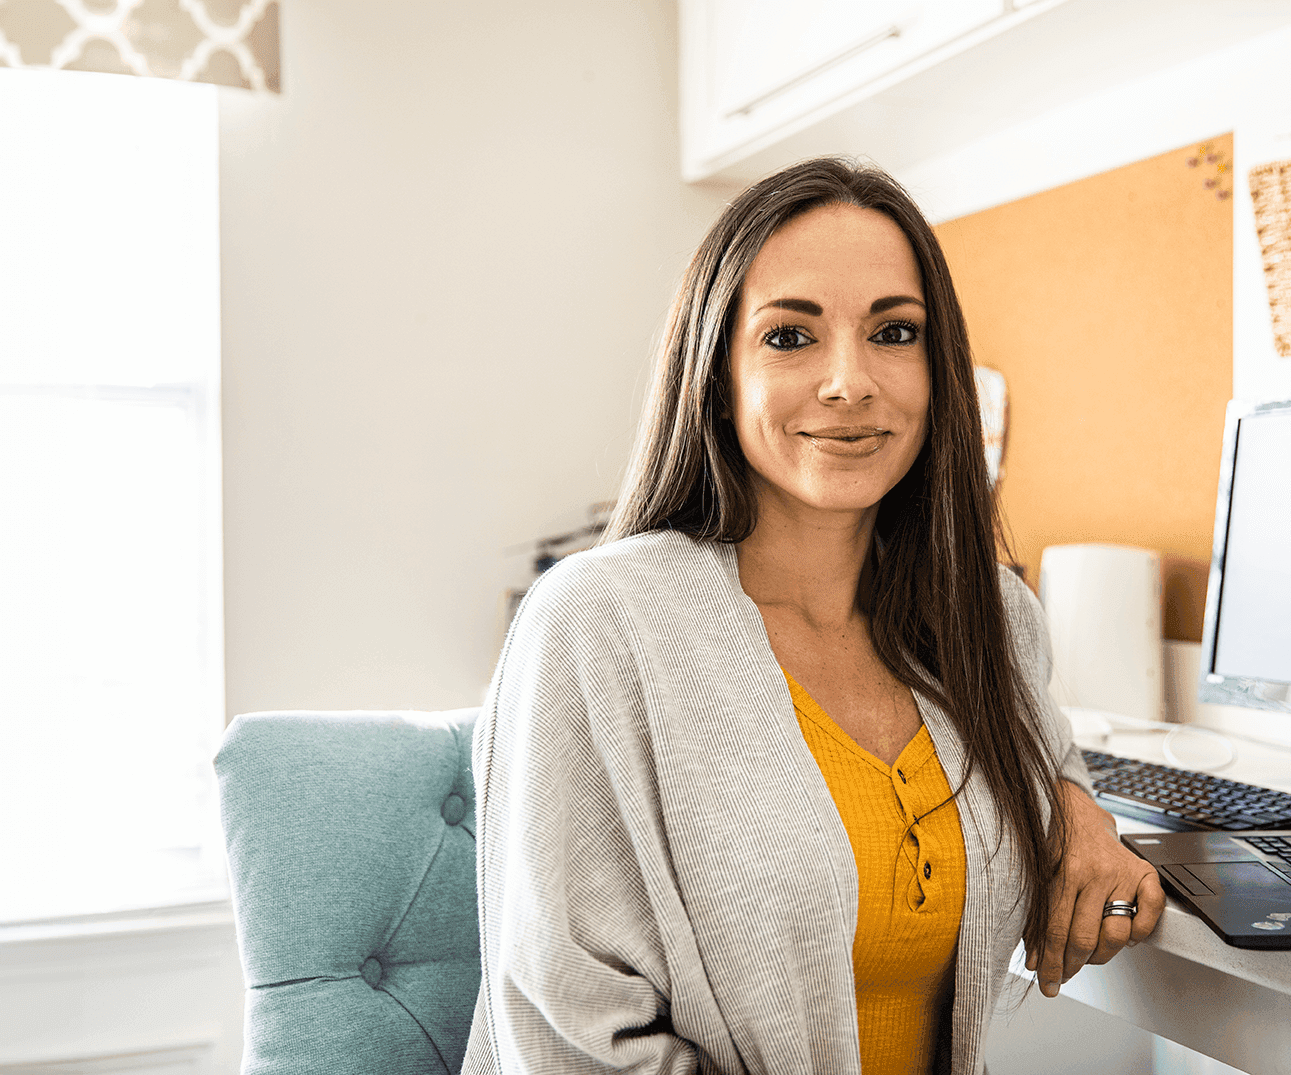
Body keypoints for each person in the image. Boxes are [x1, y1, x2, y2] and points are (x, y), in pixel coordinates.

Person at [462, 158, 1163, 1075]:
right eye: (790, 336)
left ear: (938, 367)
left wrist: (1075, 808)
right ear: (716, 371)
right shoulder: (596, 622)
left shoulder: (991, 617)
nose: (848, 381)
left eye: (893, 332)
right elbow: (567, 1048)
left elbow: (1045, 766)